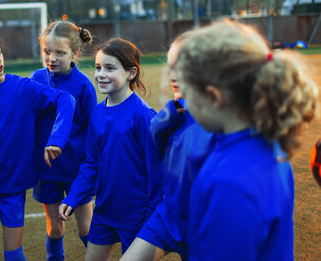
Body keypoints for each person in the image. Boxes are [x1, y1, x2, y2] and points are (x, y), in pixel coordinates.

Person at [174, 20, 318, 260]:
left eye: (187, 95)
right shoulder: (266, 142)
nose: (184, 103)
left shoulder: (229, 182)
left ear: (212, 97)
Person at [59, 38, 163, 260]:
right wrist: (73, 198)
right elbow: (91, 163)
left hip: (136, 216)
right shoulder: (97, 112)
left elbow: (156, 172)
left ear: (131, 73)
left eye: (110, 68)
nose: (101, 74)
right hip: (105, 212)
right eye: (98, 67)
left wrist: (151, 217)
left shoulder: (142, 116)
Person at [0, 38, 75, 261]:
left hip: (13, 184)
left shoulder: (22, 88)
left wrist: (57, 138)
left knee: (14, 254)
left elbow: (65, 99)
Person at [121, 33, 216, 261]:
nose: (173, 76)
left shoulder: (220, 123)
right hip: (168, 215)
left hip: (204, 226)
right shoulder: (174, 111)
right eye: (171, 67)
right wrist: (159, 126)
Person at [30, 20, 97, 260]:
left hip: (77, 170)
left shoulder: (84, 86)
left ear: (75, 53)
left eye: (60, 53)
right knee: (55, 228)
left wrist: (93, 164)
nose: (52, 58)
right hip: (47, 170)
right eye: (48, 52)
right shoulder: (35, 79)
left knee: (86, 228)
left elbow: (93, 127)